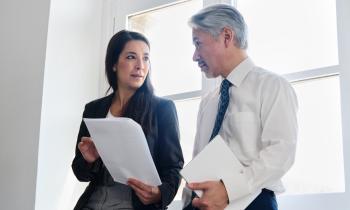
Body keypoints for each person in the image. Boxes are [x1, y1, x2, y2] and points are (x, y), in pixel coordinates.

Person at [182, 4, 298, 210]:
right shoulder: (209, 100)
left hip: (254, 203)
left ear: (227, 36)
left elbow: (281, 153)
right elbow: (199, 158)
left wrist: (228, 189)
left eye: (198, 43)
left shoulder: (272, 86)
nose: (194, 55)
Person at [72, 30, 184, 210]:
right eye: (131, 57)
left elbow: (173, 167)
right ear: (114, 64)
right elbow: (80, 173)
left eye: (146, 58)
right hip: (93, 203)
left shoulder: (162, 109)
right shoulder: (93, 109)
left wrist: (159, 194)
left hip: (136, 205)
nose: (141, 65)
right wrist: (88, 160)